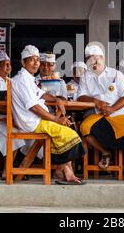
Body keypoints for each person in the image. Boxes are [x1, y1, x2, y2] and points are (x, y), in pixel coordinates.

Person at [11, 45, 86, 185]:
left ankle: (65, 172)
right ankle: (65, 172)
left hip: (36, 120)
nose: (35, 63)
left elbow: (41, 94)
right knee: (70, 134)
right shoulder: (21, 80)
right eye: (31, 60)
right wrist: (56, 119)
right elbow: (34, 107)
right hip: (32, 122)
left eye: (37, 60)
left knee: (69, 129)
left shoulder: (28, 79)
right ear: (23, 62)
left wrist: (56, 99)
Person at [77, 44, 124, 182]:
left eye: (97, 59)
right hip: (98, 115)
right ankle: (105, 152)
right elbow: (80, 97)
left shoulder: (116, 74)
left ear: (103, 58)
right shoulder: (85, 76)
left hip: (119, 114)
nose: (94, 62)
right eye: (90, 59)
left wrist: (112, 108)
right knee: (84, 128)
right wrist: (96, 101)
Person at [0, 52, 25, 177]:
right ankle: (8, 170)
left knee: (22, 132)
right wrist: (2, 113)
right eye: (4, 65)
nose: (8, 67)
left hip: (10, 117)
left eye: (9, 64)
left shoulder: (11, 81)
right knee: (15, 135)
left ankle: (10, 169)